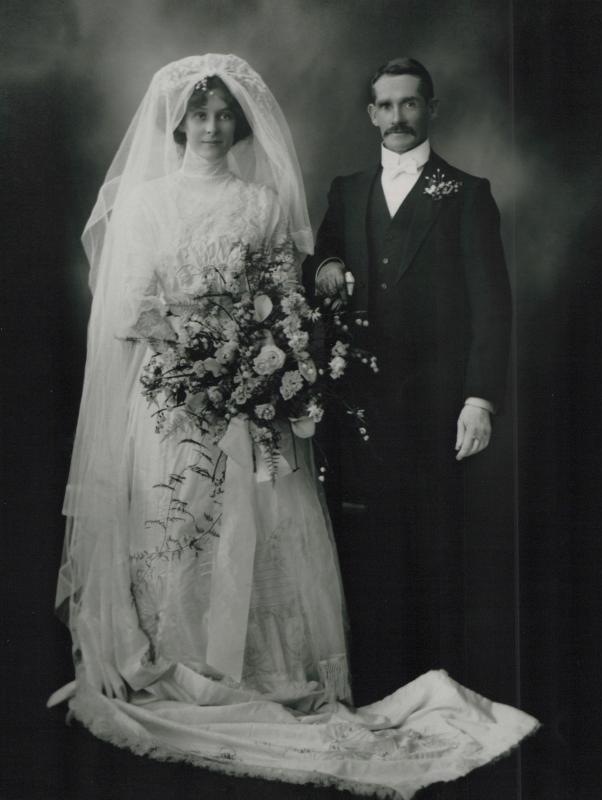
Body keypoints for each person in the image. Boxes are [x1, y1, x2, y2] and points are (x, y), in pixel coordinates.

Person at [50, 54, 536, 798]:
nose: (212, 128)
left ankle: (263, 668)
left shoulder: (263, 201)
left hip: (253, 399)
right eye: (199, 116)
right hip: (174, 396)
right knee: (181, 527)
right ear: (177, 124)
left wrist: (258, 349)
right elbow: (124, 311)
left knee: (264, 528)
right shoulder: (145, 203)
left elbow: (291, 289)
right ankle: (183, 661)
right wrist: (202, 348)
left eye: (224, 116)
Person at [303, 57, 512, 703]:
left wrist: (478, 399)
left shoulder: (465, 192)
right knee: (362, 546)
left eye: (410, 104)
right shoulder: (347, 188)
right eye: (385, 106)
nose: (397, 117)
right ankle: (369, 684)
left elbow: (490, 303)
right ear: (371, 114)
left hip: (433, 404)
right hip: (356, 404)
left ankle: (432, 683)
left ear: (430, 109)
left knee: (431, 546)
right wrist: (327, 265)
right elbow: (321, 255)